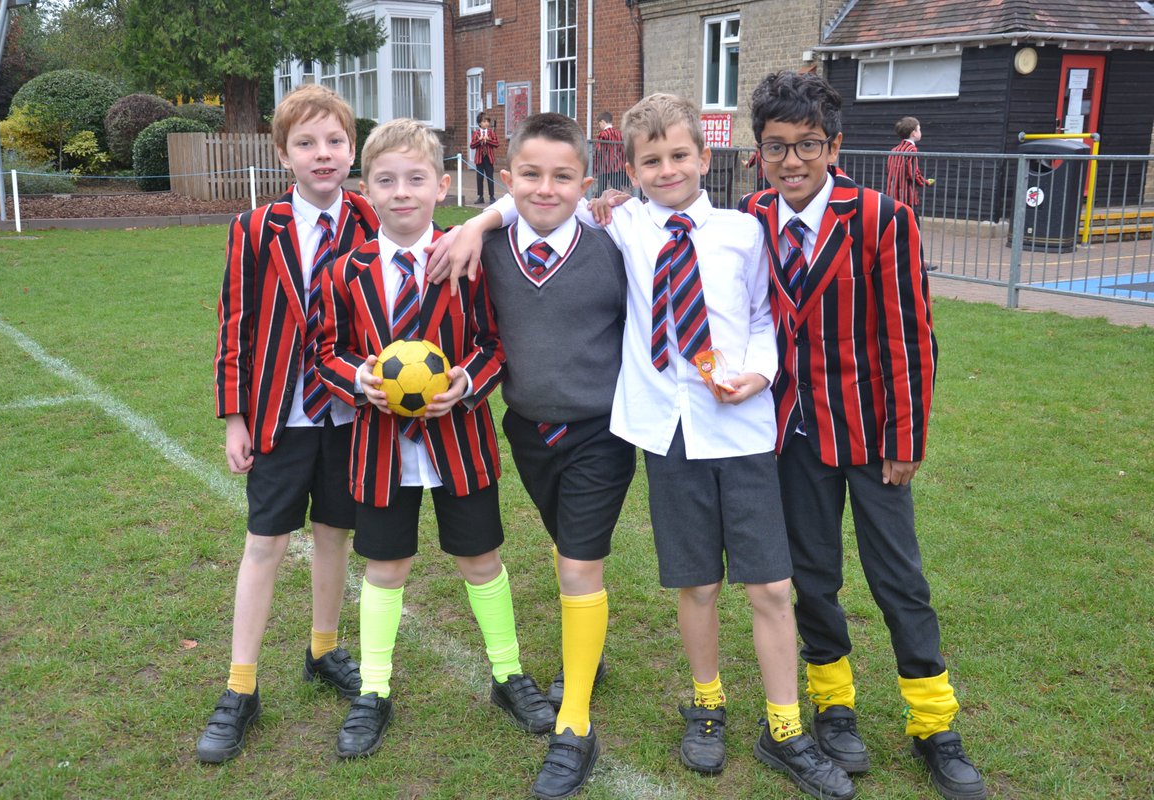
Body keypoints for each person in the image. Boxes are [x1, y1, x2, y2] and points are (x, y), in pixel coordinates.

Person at [441, 93, 855, 800]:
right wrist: (481, 217)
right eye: (651, 161)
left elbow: (764, 315)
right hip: (666, 431)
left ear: (707, 157)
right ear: (627, 170)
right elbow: (536, 198)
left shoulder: (742, 230)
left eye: (680, 156)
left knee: (771, 586)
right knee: (695, 583)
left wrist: (758, 373)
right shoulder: (623, 224)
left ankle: (785, 725)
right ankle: (707, 703)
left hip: (744, 430)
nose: (667, 171)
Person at [739, 72, 985, 800]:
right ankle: (834, 705)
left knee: (898, 578)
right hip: (795, 435)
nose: (792, 162)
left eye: (807, 145)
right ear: (759, 152)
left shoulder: (881, 220)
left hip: (874, 434)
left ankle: (933, 721)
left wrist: (907, 437)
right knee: (813, 577)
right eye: (776, 148)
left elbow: (913, 340)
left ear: (835, 146)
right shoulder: (749, 217)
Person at [315, 117, 555, 759]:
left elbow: (493, 345)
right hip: (379, 450)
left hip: (459, 441)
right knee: (385, 566)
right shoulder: (346, 271)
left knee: (480, 559)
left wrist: (467, 383)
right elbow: (324, 351)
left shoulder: (469, 257)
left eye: (416, 179)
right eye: (386, 181)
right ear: (366, 190)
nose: (401, 193)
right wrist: (359, 378)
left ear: (441, 184)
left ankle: (509, 675)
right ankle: (373, 689)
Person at [200, 83, 375, 764]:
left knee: (334, 534)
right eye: (306, 143)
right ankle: (240, 687)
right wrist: (235, 416)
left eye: (334, 141)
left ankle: (324, 650)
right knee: (266, 543)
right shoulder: (254, 228)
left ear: (352, 147)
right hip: (280, 416)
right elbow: (234, 326)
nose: (322, 154)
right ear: (283, 154)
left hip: (348, 414)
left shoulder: (371, 217)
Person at [482, 112, 633, 800]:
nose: (547, 189)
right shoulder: (485, 251)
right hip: (527, 430)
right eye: (532, 176)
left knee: (580, 562)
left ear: (587, 182)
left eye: (563, 176)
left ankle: (575, 726)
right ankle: (586, 654)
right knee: (565, 547)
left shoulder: (613, 247)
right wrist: (469, 227)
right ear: (508, 180)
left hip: (600, 434)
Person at [886, 116, 935, 210]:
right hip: (907, 196)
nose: (921, 132)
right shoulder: (912, 150)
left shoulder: (894, 150)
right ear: (914, 134)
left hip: (892, 195)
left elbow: (889, 170)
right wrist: (925, 182)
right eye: (919, 129)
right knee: (913, 221)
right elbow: (912, 173)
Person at [593, 111, 625, 196]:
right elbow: (622, 150)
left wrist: (595, 167)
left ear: (603, 122)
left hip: (604, 166)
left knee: (601, 190)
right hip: (617, 166)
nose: (599, 126)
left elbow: (598, 151)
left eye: (599, 124)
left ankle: (598, 207)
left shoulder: (603, 135)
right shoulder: (619, 134)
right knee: (617, 190)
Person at [471, 112, 499, 204]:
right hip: (479, 159)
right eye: (484, 121)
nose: (486, 123)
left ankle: (492, 196)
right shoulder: (476, 133)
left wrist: (488, 140)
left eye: (487, 121)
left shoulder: (491, 132)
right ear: (479, 123)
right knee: (479, 177)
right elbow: (472, 145)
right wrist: (479, 141)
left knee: (490, 177)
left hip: (489, 158)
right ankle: (480, 196)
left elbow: (496, 144)